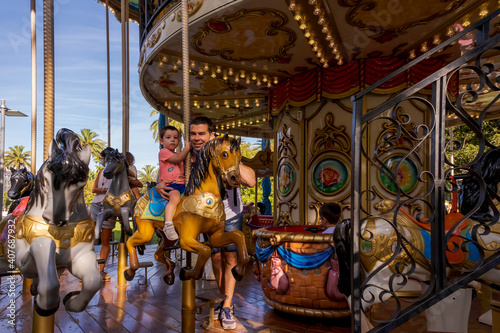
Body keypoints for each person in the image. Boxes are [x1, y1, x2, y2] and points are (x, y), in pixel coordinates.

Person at [156, 116, 255, 330]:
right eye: (193, 134)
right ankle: (224, 299)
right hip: (199, 213)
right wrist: (159, 184)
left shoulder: (222, 150)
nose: (197, 138)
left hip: (227, 211)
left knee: (229, 257)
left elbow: (251, 180)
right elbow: (167, 172)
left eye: (202, 134)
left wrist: (230, 160)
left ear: (212, 135)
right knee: (216, 259)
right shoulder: (187, 157)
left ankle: (227, 306)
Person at [155, 125, 190, 241]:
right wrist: (187, 148)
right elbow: (177, 160)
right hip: (171, 185)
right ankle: (168, 225)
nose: (172, 140)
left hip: (183, 184)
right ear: (161, 141)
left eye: (175, 138)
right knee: (174, 198)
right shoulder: (163, 152)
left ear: (179, 141)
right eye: (168, 137)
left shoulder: (178, 154)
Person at [89, 147, 115, 281]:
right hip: (95, 206)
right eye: (104, 158)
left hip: (108, 207)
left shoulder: (116, 172)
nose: (104, 161)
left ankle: (101, 270)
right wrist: (105, 189)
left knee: (105, 241)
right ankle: (88, 270)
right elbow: (93, 189)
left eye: (105, 158)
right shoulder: (101, 171)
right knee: (89, 239)